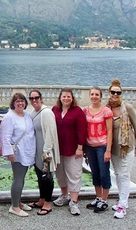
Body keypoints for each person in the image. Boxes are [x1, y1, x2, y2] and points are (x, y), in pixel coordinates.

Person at [106, 79, 136, 219]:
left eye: (118, 92)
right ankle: (123, 201)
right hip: (114, 148)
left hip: (127, 147)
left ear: (121, 93)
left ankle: (122, 205)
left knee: (124, 175)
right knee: (117, 174)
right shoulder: (106, 108)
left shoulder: (128, 108)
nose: (115, 94)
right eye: (113, 92)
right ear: (109, 93)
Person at [51, 88, 87, 216]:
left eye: (68, 97)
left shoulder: (77, 112)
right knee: (60, 174)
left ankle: (74, 201)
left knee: (74, 174)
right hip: (58, 149)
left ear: (72, 98)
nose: (66, 99)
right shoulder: (55, 110)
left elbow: (82, 130)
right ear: (60, 97)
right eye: (64, 96)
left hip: (73, 149)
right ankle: (64, 195)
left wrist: (80, 147)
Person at [0, 92, 35, 217]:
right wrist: (9, 153)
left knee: (22, 178)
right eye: (17, 101)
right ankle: (14, 207)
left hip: (27, 151)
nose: (20, 103)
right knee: (18, 178)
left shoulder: (26, 115)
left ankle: (18, 201)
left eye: (22, 101)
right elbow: (5, 137)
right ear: (13, 103)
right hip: (17, 153)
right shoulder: (9, 117)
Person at [27, 90, 60, 216]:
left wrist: (46, 152)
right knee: (40, 176)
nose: (34, 100)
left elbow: (51, 133)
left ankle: (47, 203)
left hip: (45, 151)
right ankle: (41, 200)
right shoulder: (33, 112)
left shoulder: (46, 113)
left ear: (41, 98)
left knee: (47, 177)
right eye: (31, 98)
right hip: (36, 151)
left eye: (36, 98)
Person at [83, 87, 113, 213]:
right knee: (94, 172)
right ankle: (98, 197)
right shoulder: (85, 110)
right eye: (92, 94)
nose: (94, 96)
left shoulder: (106, 111)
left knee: (104, 172)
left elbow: (110, 130)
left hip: (102, 146)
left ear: (101, 97)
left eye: (97, 94)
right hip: (90, 146)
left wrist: (108, 150)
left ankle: (105, 200)